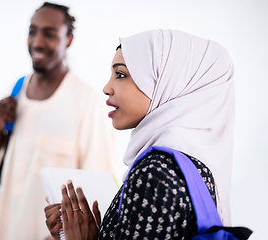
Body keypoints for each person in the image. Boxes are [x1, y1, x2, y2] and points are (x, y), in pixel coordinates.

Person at [44, 29, 235, 239]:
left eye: (121, 75)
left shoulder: (154, 173)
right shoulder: (194, 167)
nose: (106, 88)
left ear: (167, 81)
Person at [0, 2, 116, 239]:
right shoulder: (15, 92)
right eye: (32, 31)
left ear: (69, 39)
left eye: (50, 34)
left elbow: (99, 198)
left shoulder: (88, 103)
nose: (37, 42)